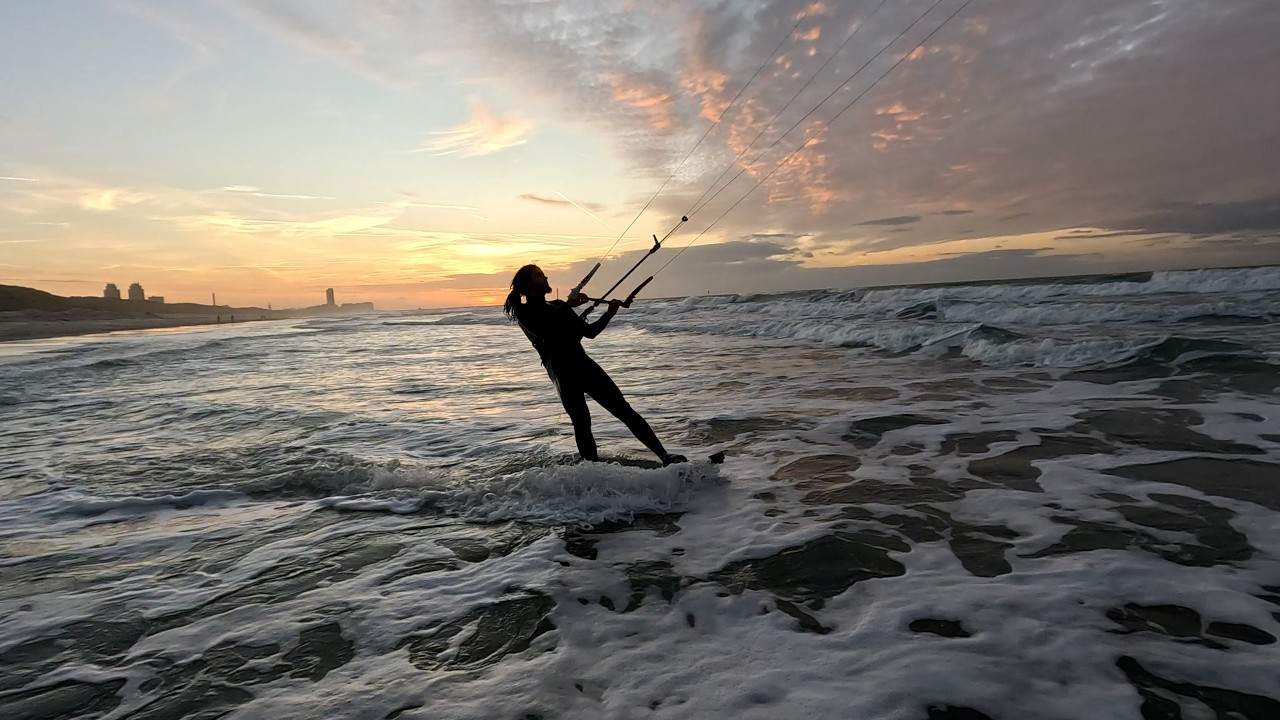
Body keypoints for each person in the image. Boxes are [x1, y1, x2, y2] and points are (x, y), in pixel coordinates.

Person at [504, 264, 686, 466]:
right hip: (562, 371)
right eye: (539, 276)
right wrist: (568, 306)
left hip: (583, 364)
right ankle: (592, 470)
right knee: (582, 422)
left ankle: (664, 456)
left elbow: (589, 332)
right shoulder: (523, 311)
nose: (545, 278)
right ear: (527, 285)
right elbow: (545, 332)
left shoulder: (558, 305)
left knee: (623, 409)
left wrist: (609, 314)